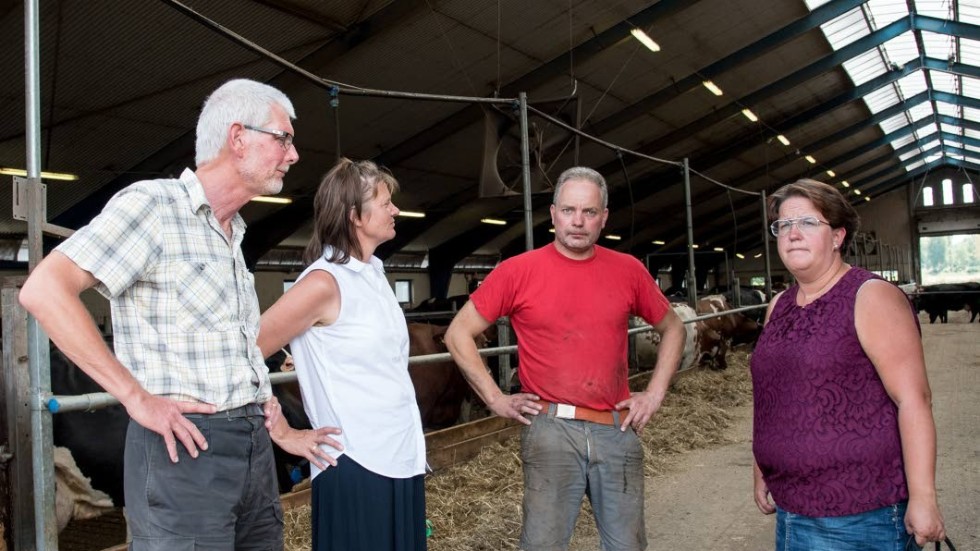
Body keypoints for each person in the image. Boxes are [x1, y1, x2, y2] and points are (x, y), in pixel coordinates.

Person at [19, 78, 341, 550]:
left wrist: (277, 424)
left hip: (252, 450)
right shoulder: (154, 206)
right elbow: (44, 289)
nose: (292, 155)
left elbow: (234, 352)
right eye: (283, 138)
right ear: (238, 138)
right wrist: (135, 396)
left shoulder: (232, 232)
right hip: (185, 452)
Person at [445, 166, 686, 551]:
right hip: (550, 430)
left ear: (604, 218)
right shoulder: (517, 272)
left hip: (616, 428)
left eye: (589, 212)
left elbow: (674, 328)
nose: (578, 221)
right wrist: (495, 399)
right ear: (554, 213)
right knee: (543, 544)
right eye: (569, 210)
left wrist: (654, 394)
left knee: (628, 545)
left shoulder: (628, 270)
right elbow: (458, 332)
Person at [751, 179, 946, 550]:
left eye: (808, 223)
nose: (793, 234)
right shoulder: (779, 305)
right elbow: (775, 396)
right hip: (792, 506)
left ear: (838, 235)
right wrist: (762, 466)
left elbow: (914, 400)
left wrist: (923, 498)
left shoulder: (870, 296)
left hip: (860, 513)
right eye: (783, 225)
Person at [256, 158, 427, 551]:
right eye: (385, 203)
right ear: (355, 216)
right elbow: (249, 350)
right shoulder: (323, 283)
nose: (395, 210)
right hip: (354, 462)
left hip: (399, 455)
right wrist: (282, 432)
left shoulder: (373, 273)